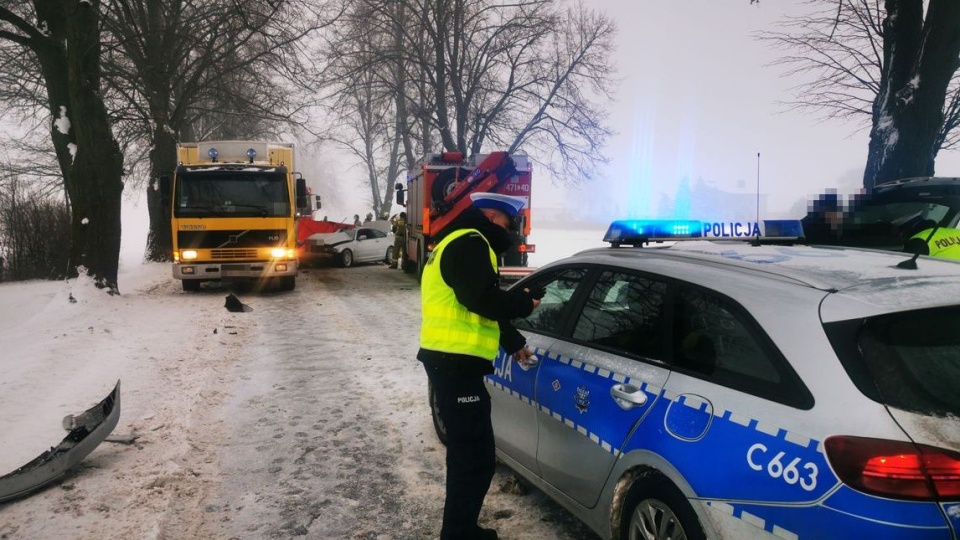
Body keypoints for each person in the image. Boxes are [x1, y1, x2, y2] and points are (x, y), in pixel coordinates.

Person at [418, 192, 541, 540]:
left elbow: (473, 305)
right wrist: (524, 302)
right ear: (490, 215)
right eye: (507, 222)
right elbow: (482, 300)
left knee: (468, 455)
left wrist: (513, 343)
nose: (510, 229)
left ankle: (459, 530)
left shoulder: (454, 241)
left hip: (450, 362)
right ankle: (459, 533)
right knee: (474, 458)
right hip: (455, 365)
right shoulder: (472, 243)